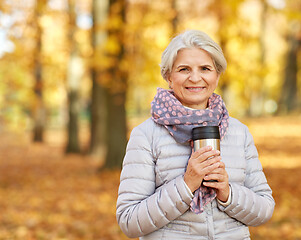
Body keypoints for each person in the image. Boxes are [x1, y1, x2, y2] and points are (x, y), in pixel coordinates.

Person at [116, 30, 275, 240]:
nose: (195, 77)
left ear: (217, 74)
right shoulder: (146, 135)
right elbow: (129, 221)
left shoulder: (238, 132)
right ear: (168, 76)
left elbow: (264, 209)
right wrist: (186, 184)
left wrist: (228, 193)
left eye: (205, 68)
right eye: (184, 69)